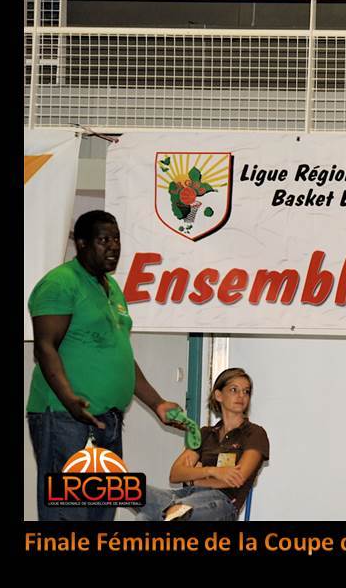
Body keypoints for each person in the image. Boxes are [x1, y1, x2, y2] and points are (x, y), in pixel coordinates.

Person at [27, 210, 183, 521]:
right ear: (82, 243)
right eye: (103, 240)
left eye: (116, 239)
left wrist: (158, 403)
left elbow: (120, 355)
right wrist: (69, 399)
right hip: (65, 418)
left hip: (107, 422)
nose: (113, 246)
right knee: (67, 514)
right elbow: (44, 347)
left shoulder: (111, 288)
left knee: (102, 514)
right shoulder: (60, 283)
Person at [135, 367, 270, 521]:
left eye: (246, 391)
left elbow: (236, 480)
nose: (241, 396)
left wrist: (194, 478)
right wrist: (213, 471)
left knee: (155, 515)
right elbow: (176, 474)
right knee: (130, 491)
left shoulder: (255, 433)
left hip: (221, 503)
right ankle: (170, 509)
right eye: (234, 390)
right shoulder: (205, 433)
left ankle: (170, 510)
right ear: (218, 395)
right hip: (185, 495)